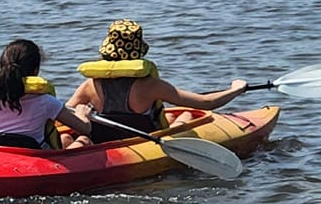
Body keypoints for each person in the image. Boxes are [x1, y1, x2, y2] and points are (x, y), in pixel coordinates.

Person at [68, 18, 248, 138]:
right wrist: (236, 89)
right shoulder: (151, 85)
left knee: (170, 117)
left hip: (105, 137)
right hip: (142, 139)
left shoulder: (90, 85)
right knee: (186, 113)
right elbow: (207, 103)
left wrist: (83, 114)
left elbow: (64, 112)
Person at [0, 38, 91, 149]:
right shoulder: (46, 101)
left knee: (65, 139)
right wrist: (82, 114)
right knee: (84, 140)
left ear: (1, 67)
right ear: (36, 70)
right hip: (35, 155)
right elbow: (85, 129)